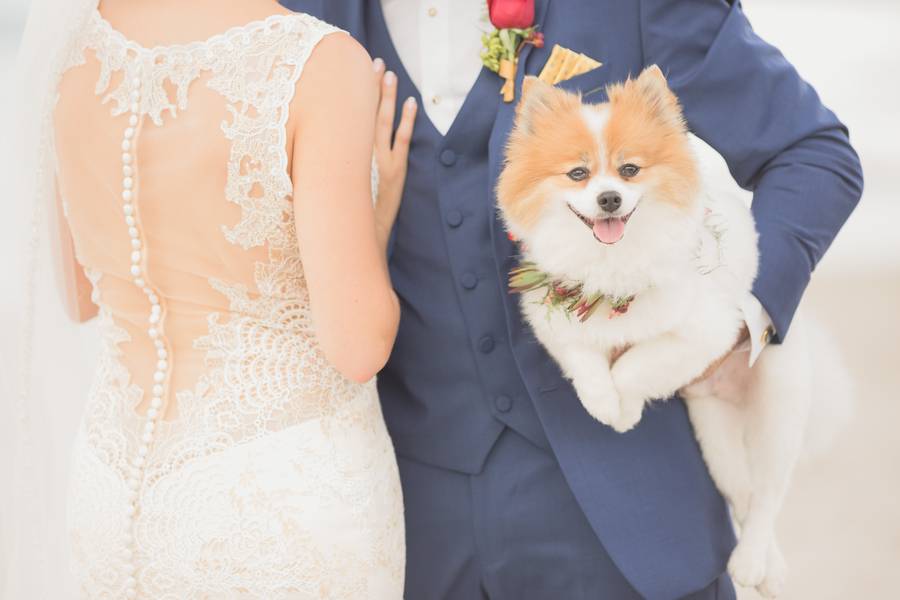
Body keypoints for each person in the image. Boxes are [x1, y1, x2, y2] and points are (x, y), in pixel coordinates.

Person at [281, 1, 864, 598]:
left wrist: (736, 327)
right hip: (403, 526)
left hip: (631, 519)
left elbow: (812, 154)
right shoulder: (293, 15)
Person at [9, 0, 418, 596]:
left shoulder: (74, 52)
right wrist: (376, 221)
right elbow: (358, 346)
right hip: (275, 501)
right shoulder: (317, 63)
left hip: (110, 488)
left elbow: (79, 297)